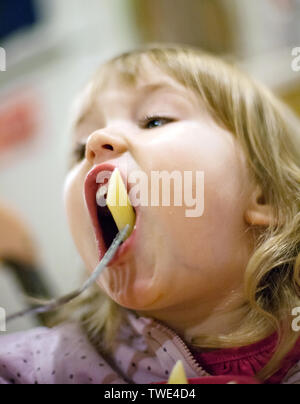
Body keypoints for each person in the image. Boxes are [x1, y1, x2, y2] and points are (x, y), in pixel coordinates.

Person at [0, 44, 299, 384]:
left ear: (263, 193)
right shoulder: (49, 364)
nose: (98, 140)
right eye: (79, 146)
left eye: (154, 120)